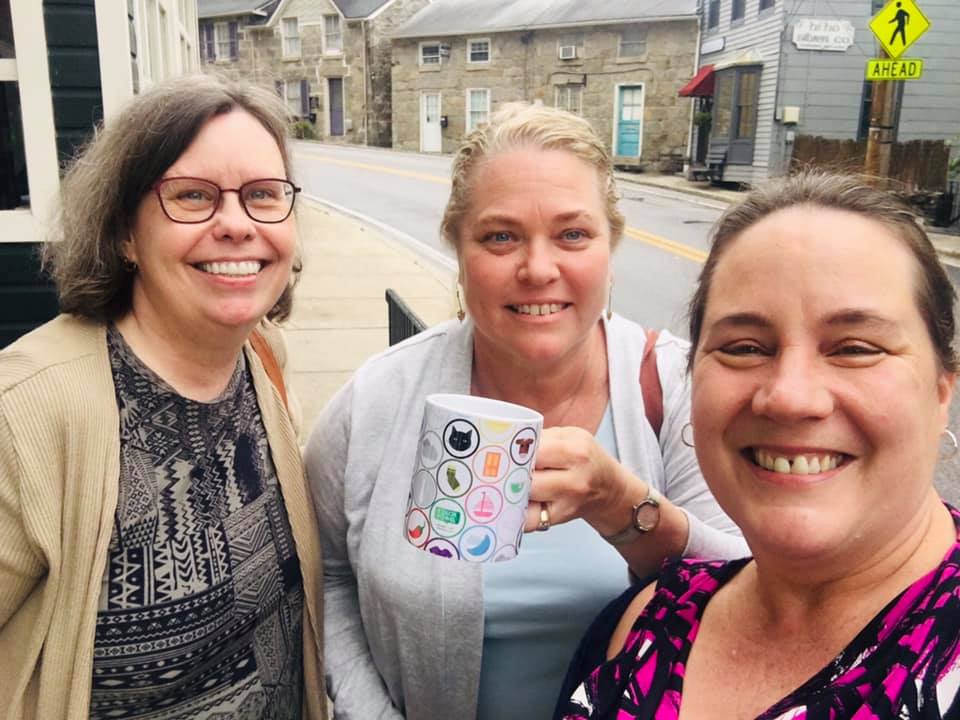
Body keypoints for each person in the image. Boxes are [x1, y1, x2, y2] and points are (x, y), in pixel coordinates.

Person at [306, 103, 746, 720]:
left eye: (572, 234)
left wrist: (622, 506)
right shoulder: (379, 398)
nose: (538, 270)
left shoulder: (680, 390)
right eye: (500, 236)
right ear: (458, 250)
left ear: (610, 246)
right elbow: (328, 578)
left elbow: (758, 595)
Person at [557, 172, 960, 719]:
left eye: (855, 348)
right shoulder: (640, 629)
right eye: (745, 348)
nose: (790, 398)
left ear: (941, 390)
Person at [0, 75, 326, 719]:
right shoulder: (24, 412)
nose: (236, 224)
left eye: (263, 195)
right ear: (125, 233)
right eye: (191, 197)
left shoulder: (261, 358)